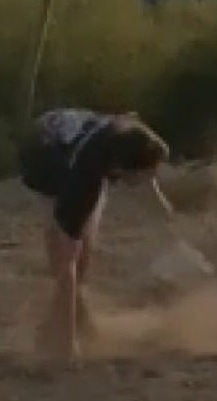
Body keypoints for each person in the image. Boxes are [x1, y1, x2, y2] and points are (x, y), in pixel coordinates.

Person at [18, 108, 170, 361]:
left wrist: (158, 199)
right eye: (145, 174)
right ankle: (59, 334)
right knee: (66, 261)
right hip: (42, 161)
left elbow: (142, 152)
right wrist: (67, 349)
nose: (152, 176)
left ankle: (76, 313)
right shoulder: (82, 181)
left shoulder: (127, 135)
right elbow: (66, 265)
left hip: (75, 140)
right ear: (121, 170)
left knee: (84, 253)